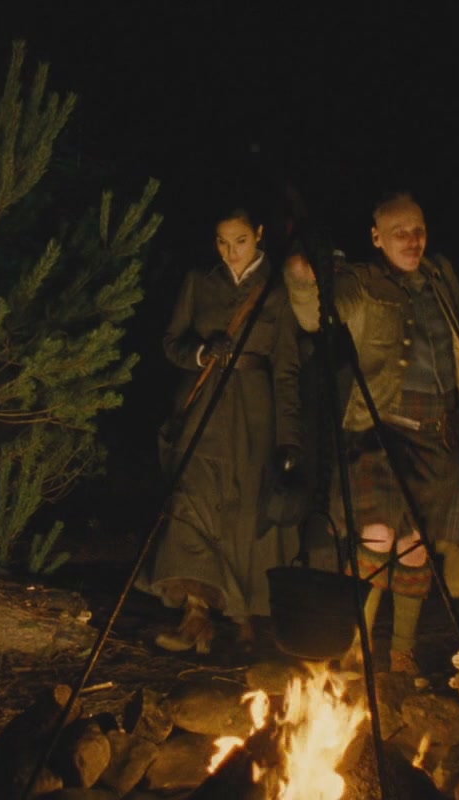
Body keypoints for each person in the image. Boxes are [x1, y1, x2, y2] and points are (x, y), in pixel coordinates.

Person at [283, 191, 459, 675]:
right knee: (378, 534)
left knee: (415, 546)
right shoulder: (362, 281)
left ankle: (402, 652)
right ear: (377, 238)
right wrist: (303, 281)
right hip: (381, 431)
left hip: (438, 433)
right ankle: (356, 646)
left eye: (418, 231)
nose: (412, 241)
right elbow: (319, 314)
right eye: (400, 233)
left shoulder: (439, 274)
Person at [144, 207, 305, 655]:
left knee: (243, 513)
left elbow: (287, 369)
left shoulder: (277, 289)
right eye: (222, 242)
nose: (230, 252)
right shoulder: (200, 281)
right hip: (203, 408)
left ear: (259, 235)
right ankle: (195, 613)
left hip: (254, 413)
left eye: (240, 241)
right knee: (190, 502)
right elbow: (171, 342)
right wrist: (201, 353)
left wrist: (289, 438)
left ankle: (242, 616)